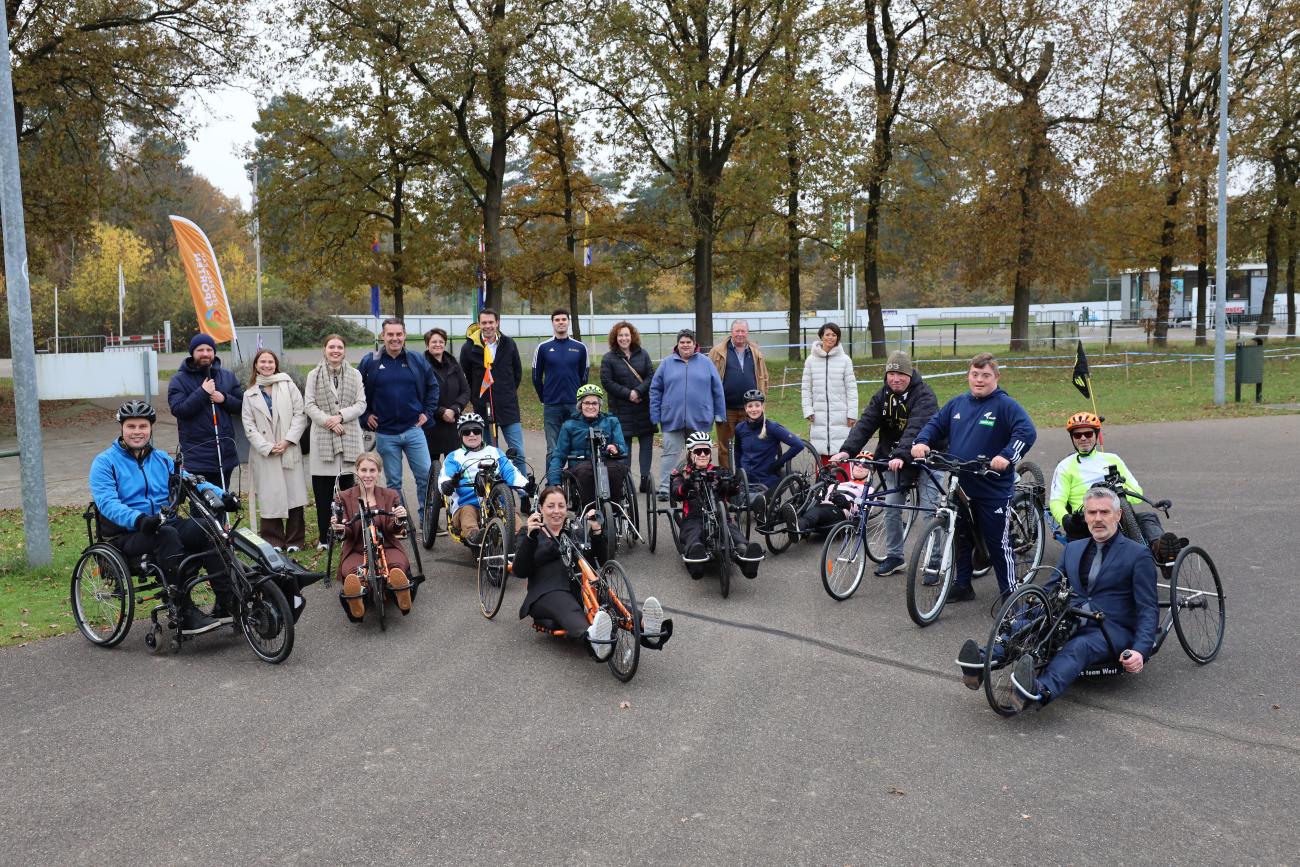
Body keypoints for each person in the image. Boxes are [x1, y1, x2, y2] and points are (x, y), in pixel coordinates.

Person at [956, 487, 1158, 714]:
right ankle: (983, 660)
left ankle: (1040, 689)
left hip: (1110, 627)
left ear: (1118, 515)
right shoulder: (1073, 548)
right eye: (1092, 513)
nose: (1098, 519)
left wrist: (1141, 650)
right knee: (1027, 626)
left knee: (1079, 647)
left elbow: (1148, 609)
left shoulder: (1138, 555)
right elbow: (1050, 589)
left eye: (1104, 512)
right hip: (1068, 614)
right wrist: (1025, 615)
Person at [89, 400, 237, 634]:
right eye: (131, 426)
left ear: (150, 428)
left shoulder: (161, 459)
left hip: (163, 522)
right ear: (121, 428)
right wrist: (138, 519)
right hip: (127, 533)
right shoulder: (105, 463)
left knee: (209, 528)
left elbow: (191, 480)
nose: (137, 432)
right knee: (166, 535)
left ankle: (227, 601)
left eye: (142, 426)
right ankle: (184, 611)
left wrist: (222, 495)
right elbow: (107, 503)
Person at [911, 353, 1037, 604]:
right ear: (968, 375)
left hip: (992, 486)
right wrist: (921, 441)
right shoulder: (957, 404)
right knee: (960, 535)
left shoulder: (1005, 405)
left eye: (986, 375)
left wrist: (1007, 456)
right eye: (975, 374)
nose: (979, 380)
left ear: (996, 377)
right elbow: (934, 424)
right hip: (961, 483)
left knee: (998, 543)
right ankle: (962, 584)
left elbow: (1027, 431)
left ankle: (1010, 595)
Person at [515, 486, 671, 659]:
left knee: (610, 601)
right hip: (547, 591)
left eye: (561, 506)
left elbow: (599, 560)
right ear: (540, 509)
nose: (556, 511)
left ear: (567, 509)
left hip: (581, 587)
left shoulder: (574, 531)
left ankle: (647, 626)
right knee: (568, 608)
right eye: (551, 506)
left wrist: (596, 531)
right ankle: (593, 638)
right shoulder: (530, 533)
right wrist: (530, 536)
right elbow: (519, 570)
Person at [830, 350, 942, 577]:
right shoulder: (883, 395)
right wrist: (846, 451)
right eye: (891, 374)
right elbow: (866, 423)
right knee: (891, 508)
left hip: (925, 458)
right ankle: (894, 556)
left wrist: (902, 454)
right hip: (894, 460)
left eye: (900, 374)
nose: (895, 379)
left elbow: (916, 428)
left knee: (930, 512)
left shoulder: (925, 396)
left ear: (910, 374)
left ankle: (934, 561)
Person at [1049, 412, 1184, 561]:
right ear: (1072, 438)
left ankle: (1161, 551)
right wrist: (1065, 520)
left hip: (1118, 514)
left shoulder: (1112, 459)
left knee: (1148, 518)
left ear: (1096, 435)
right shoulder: (1065, 466)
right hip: (1085, 519)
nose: (1083, 438)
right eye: (1077, 435)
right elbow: (1056, 501)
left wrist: (1116, 489)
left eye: (1088, 434)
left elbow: (1136, 492)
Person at [358, 317, 439, 518]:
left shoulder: (416, 360)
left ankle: (427, 520)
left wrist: (427, 413)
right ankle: (399, 521)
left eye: (398, 334)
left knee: (425, 478)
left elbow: (433, 387)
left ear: (405, 336)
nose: (395, 338)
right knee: (394, 482)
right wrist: (366, 415)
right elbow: (357, 392)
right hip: (385, 433)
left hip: (413, 430)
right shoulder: (370, 362)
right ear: (383, 336)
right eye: (390, 335)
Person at [330, 452, 414, 621]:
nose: (367, 475)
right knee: (353, 572)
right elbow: (346, 533)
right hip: (356, 548)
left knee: (396, 565)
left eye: (372, 470)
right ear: (356, 471)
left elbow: (394, 530)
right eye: (363, 470)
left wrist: (398, 518)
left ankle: (400, 593)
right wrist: (339, 527)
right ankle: (358, 601)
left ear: (379, 472)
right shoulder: (343, 497)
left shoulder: (390, 495)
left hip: (386, 544)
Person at [670, 431, 764, 579]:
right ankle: (696, 556)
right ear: (690, 454)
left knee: (733, 532)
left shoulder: (718, 471)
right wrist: (688, 483)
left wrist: (731, 484)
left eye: (706, 451)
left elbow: (734, 492)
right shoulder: (681, 473)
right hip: (694, 518)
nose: (702, 454)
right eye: (698, 451)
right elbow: (676, 493)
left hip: (721, 516)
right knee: (693, 534)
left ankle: (745, 556)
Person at [242, 349, 310, 551]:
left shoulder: (288, 385)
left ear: (276, 364)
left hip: (288, 449)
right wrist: (267, 447)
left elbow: (301, 414)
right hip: (266, 452)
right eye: (262, 362)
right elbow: (249, 425)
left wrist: (288, 441)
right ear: (256, 365)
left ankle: (295, 540)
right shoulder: (250, 394)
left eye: (270, 362)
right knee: (269, 495)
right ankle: (274, 540)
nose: (266, 365)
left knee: (294, 494)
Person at [303, 334, 367, 550]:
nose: (335, 350)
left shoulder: (355, 374)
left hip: (349, 438)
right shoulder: (314, 375)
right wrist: (329, 422)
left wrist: (340, 416)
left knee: (349, 493)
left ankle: (348, 533)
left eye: (339, 347)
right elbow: (309, 405)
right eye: (331, 347)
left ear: (344, 351)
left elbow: (361, 404)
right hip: (323, 440)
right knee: (323, 494)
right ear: (324, 349)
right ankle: (324, 537)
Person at [649, 329, 726, 500]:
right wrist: (655, 416)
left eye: (688, 342)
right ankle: (665, 488)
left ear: (694, 344)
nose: (685, 345)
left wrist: (720, 414)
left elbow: (717, 390)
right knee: (670, 453)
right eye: (682, 342)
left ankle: (700, 485)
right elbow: (655, 390)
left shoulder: (706, 363)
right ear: (677, 344)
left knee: (700, 454)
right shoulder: (666, 363)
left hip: (700, 418)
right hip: (672, 418)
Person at [437, 412, 529, 546]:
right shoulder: (454, 456)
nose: (472, 435)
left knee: (511, 516)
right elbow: (445, 474)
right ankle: (474, 535)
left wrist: (526, 485)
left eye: (476, 431)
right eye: (466, 432)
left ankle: (521, 538)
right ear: (461, 435)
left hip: (496, 502)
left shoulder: (495, 452)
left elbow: (510, 472)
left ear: (481, 433)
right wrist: (446, 484)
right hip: (466, 503)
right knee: (468, 512)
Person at [167, 333, 244, 488]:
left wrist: (224, 399)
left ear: (214, 352)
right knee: (201, 506)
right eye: (200, 350)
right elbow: (179, 409)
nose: (205, 354)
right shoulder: (179, 380)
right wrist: (202, 392)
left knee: (222, 502)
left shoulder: (227, 377)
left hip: (224, 454)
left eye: (209, 349)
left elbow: (242, 405)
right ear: (192, 353)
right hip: (197, 457)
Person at [459, 307, 526, 474]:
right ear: (479, 324)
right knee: (486, 453)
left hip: (508, 407)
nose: (488, 326)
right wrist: (477, 399)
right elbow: (466, 377)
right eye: (484, 323)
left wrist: (506, 392)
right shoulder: (469, 348)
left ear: (497, 323)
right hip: (483, 408)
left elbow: (517, 373)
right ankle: (494, 493)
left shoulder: (509, 344)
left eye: (491, 322)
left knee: (517, 451)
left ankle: (524, 492)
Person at [547, 384, 629, 512]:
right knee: (585, 473)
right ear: (580, 406)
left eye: (594, 403)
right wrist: (554, 482)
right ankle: (591, 512)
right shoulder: (569, 425)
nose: (591, 407)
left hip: (606, 461)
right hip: (581, 465)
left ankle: (613, 511)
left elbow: (623, 447)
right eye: (587, 403)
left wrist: (616, 448)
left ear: (599, 405)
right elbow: (559, 455)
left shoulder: (611, 421)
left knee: (614, 471)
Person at [600, 321, 657, 493]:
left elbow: (651, 376)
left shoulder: (643, 354)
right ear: (615, 338)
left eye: (626, 335)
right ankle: (627, 480)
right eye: (620, 335)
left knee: (646, 444)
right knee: (624, 446)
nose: (624, 338)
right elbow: (607, 382)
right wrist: (628, 394)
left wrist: (638, 391)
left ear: (632, 336)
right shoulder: (609, 358)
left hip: (643, 408)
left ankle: (645, 478)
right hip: (621, 409)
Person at [532, 308, 589, 472]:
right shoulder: (543, 347)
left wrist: (579, 398)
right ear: (552, 323)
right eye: (557, 320)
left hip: (574, 405)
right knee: (553, 449)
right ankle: (552, 486)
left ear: (568, 321)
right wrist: (544, 397)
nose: (561, 322)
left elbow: (583, 376)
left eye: (564, 319)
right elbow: (536, 376)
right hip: (552, 405)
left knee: (577, 448)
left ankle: (577, 486)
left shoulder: (580, 347)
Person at [707, 319, 769, 470]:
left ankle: (746, 478)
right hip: (726, 409)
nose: (740, 334)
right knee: (724, 447)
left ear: (747, 333)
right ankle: (727, 480)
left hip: (750, 410)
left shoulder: (756, 352)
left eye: (743, 331)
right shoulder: (718, 352)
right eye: (737, 331)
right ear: (731, 332)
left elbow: (764, 377)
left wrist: (761, 399)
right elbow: (708, 377)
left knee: (749, 445)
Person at [732, 389, 804, 516]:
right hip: (746, 480)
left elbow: (798, 444)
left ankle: (760, 501)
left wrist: (779, 463)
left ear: (763, 406)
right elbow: (738, 451)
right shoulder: (740, 428)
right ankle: (754, 501)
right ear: (745, 408)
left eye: (757, 405)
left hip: (765, 479)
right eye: (750, 406)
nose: (753, 409)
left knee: (789, 475)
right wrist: (738, 473)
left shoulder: (772, 427)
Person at [802, 322, 858, 460]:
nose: (831, 338)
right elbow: (806, 388)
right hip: (818, 414)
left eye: (834, 335)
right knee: (821, 457)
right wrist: (808, 410)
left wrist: (852, 413)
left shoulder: (845, 360)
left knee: (841, 454)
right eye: (827, 334)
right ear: (821, 336)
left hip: (841, 415)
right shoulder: (810, 361)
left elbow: (851, 389)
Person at [790, 452, 873, 535]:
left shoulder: (870, 490)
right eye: (857, 463)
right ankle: (788, 514)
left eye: (866, 465)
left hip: (839, 512)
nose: (860, 466)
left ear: (871, 471)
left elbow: (864, 511)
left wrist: (847, 504)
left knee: (817, 512)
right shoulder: (841, 483)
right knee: (803, 498)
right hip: (822, 505)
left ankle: (798, 528)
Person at [421, 327, 471, 462]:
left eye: (441, 341)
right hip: (430, 427)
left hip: (453, 427)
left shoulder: (454, 364)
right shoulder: (421, 365)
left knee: (455, 471)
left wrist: (455, 409)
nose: (438, 344)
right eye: (434, 342)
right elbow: (420, 395)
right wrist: (441, 412)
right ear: (427, 344)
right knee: (431, 472)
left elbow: (466, 391)